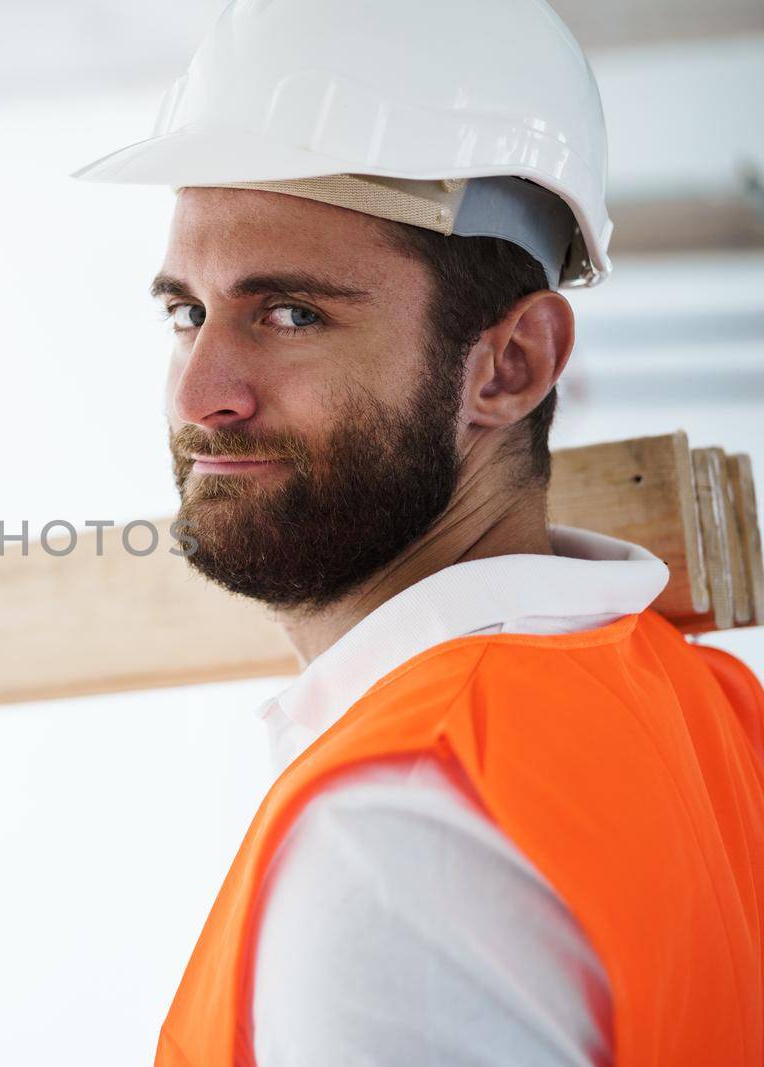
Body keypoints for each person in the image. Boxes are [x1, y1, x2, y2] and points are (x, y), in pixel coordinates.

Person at [76, 1, 764, 1064]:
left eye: (290, 313)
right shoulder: (712, 712)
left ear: (511, 365)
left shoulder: (394, 835)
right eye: (185, 311)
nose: (201, 391)